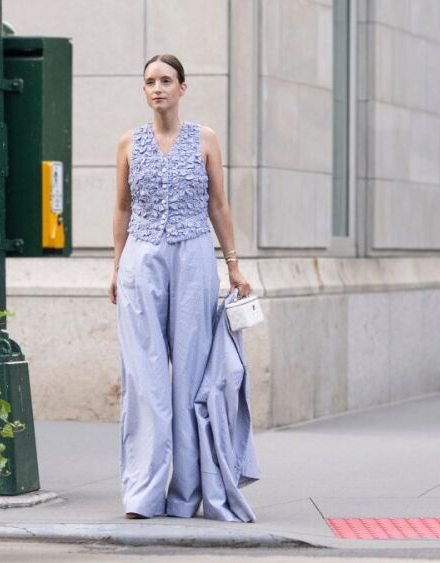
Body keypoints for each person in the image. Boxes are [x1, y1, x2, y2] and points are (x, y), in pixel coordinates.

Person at [109, 54, 252, 519]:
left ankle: (188, 492)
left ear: (182, 88)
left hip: (193, 257)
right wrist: (117, 267)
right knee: (145, 380)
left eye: (166, 80)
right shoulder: (129, 142)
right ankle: (143, 494)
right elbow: (122, 208)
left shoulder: (205, 139)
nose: (158, 88)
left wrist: (233, 266)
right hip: (141, 259)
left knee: (190, 377)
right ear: (144, 89)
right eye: (150, 81)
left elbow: (219, 205)